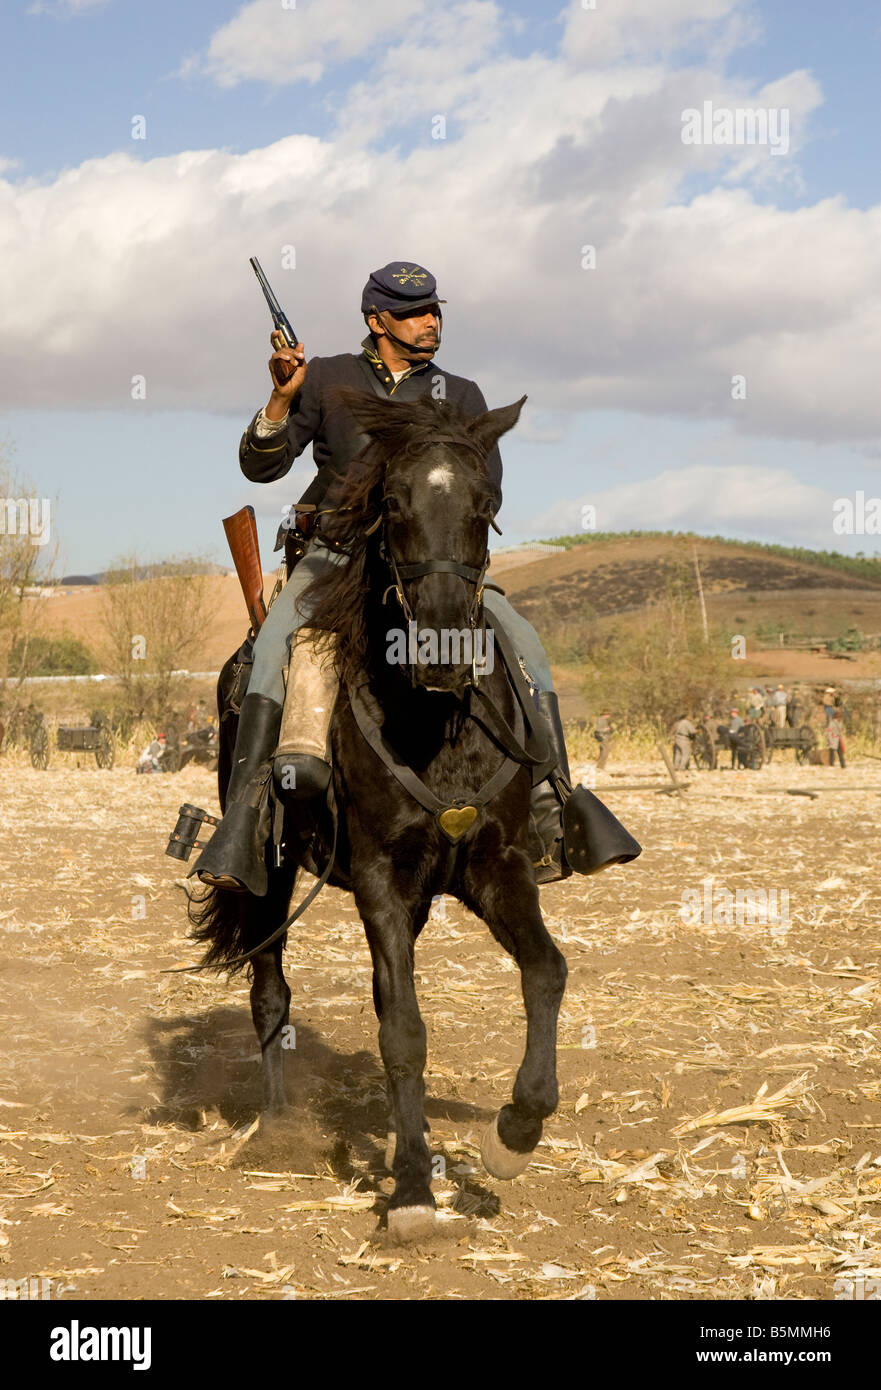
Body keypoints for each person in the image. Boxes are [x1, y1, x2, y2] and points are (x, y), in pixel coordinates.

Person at [192, 261, 585, 893]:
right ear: (378, 321)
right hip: (337, 559)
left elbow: (490, 492)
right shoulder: (324, 378)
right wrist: (281, 399)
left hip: (431, 566)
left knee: (527, 644)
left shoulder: (461, 396)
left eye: (435, 311)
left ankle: (553, 811)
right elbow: (258, 470)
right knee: (270, 650)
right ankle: (244, 824)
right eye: (414, 312)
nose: (431, 321)